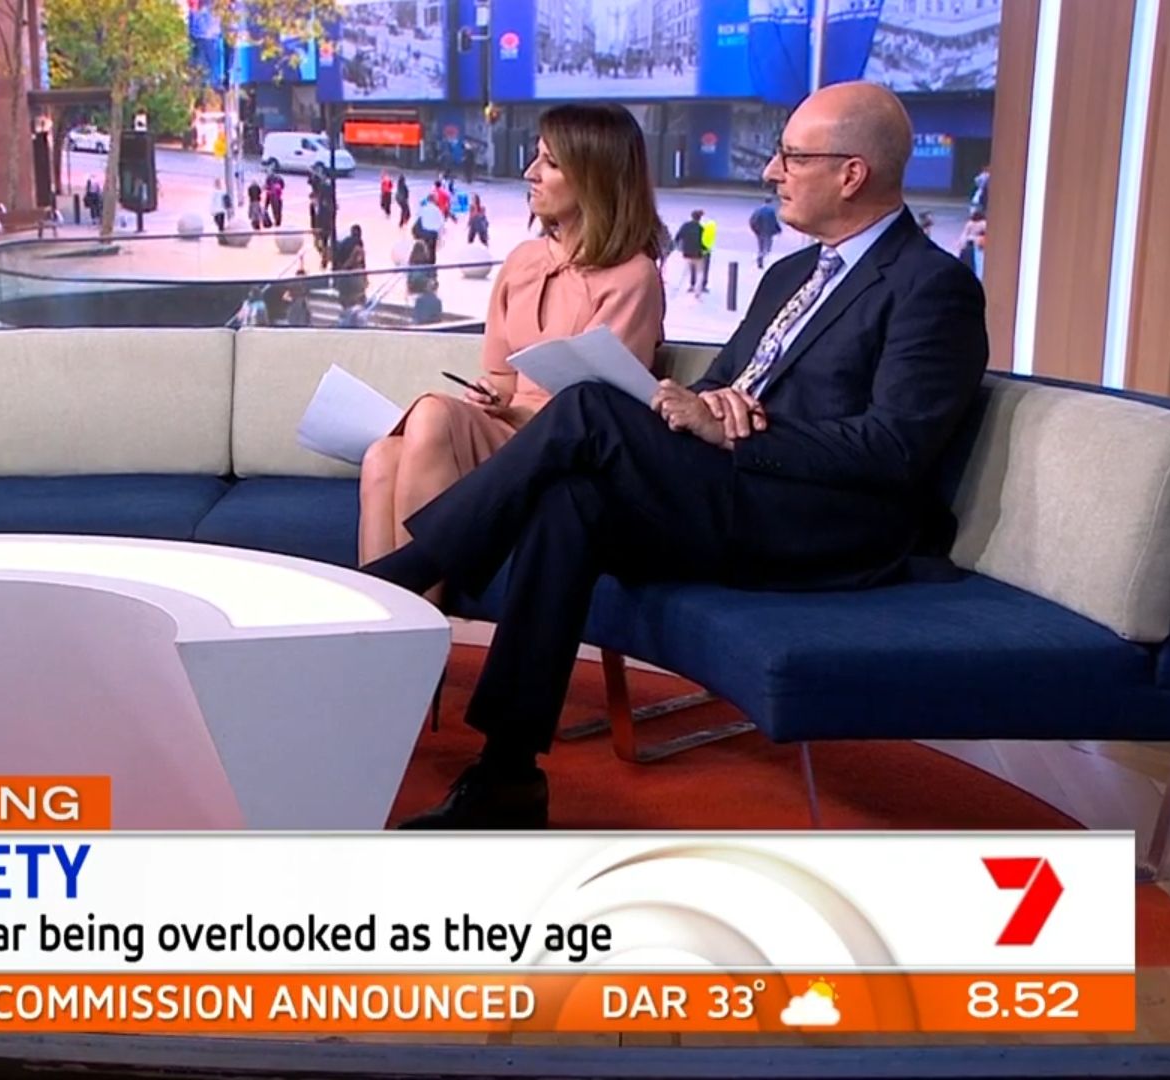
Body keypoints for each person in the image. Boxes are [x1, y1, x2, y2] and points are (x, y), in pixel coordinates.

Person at [366, 82, 989, 829]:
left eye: (792, 157)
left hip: (826, 525)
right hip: (736, 491)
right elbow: (724, 382)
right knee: (571, 502)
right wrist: (698, 403)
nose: (772, 171)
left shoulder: (933, 287)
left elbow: (895, 449)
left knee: (588, 405)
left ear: (851, 174)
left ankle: (405, 577)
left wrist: (736, 431)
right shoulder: (790, 274)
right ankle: (507, 775)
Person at [358, 102, 666, 608]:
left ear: (595, 176)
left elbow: (602, 416)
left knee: (432, 413)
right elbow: (501, 379)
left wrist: (511, 413)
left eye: (550, 163)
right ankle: (380, 626)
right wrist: (493, 399)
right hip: (507, 432)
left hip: (562, 452)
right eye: (535, 157)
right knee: (382, 456)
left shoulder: (633, 276)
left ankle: (416, 615)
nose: (530, 172)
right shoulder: (523, 260)